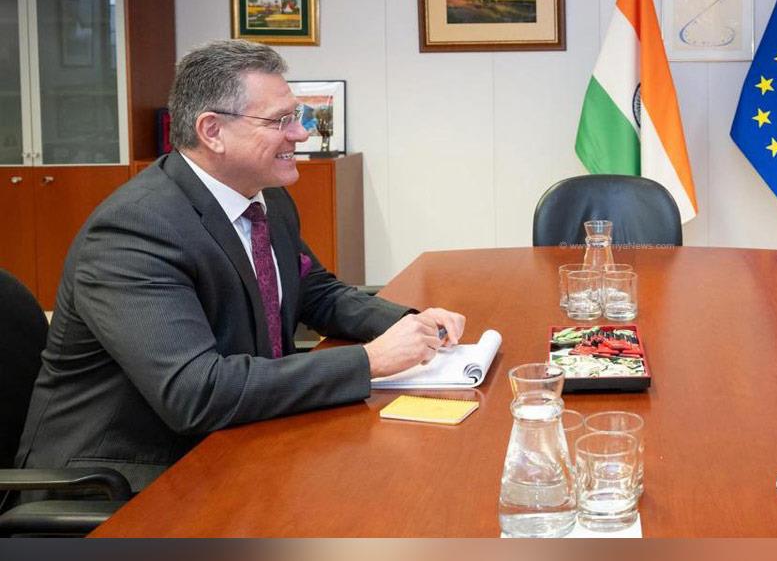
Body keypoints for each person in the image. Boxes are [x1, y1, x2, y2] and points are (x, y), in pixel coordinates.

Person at [16, 39, 465, 493]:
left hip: (240, 440)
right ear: (212, 130)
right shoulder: (134, 230)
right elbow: (196, 392)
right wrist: (371, 361)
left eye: (298, 117)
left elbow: (315, 291)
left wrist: (413, 324)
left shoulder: (265, 197)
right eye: (281, 121)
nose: (302, 134)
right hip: (127, 478)